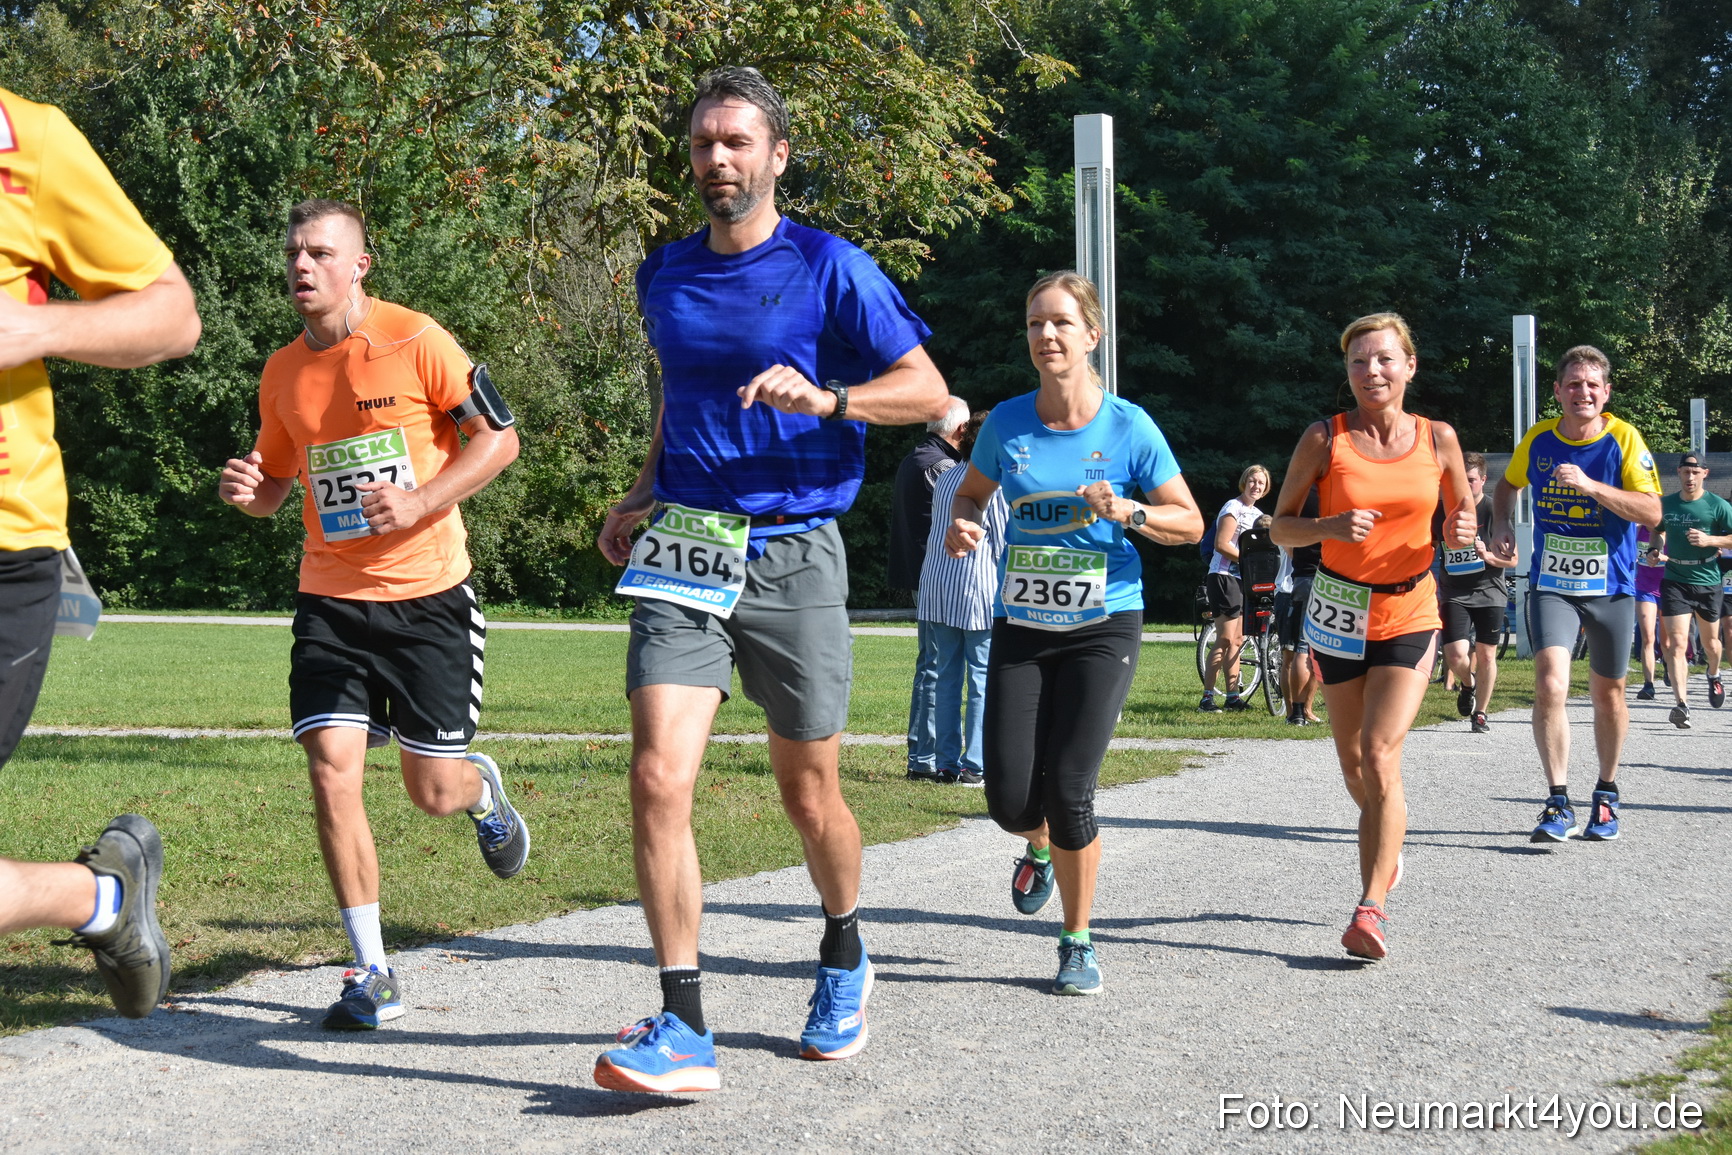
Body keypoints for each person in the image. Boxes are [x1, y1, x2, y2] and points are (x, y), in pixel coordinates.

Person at [593, 67, 949, 1092]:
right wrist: (638, 494)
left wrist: (831, 399)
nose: (717, 160)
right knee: (659, 774)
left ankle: (843, 948)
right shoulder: (662, 274)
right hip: (685, 547)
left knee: (809, 791)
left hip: (795, 547)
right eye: (703, 143)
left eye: (737, 143)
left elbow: (925, 389)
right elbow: (681, 403)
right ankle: (681, 1020)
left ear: (777, 156)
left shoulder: (831, 267)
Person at [217, 198, 527, 1030]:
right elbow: (279, 481)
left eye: (320, 252)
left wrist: (421, 499)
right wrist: (253, 494)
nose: (301, 267)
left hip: (428, 598)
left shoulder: (417, 340)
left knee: (430, 790)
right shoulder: (282, 371)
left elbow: (499, 439)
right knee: (331, 773)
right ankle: (373, 968)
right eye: (292, 254)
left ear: (359, 264)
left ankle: (480, 794)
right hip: (329, 598)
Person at [0, 85, 200, 1018]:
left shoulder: (26, 140)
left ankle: (107, 897)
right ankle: (103, 897)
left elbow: (170, 313)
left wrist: (35, 329)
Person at [947, 271, 1202, 995]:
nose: (1045, 336)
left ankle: (1077, 938)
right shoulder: (1006, 424)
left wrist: (1129, 511)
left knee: (1072, 786)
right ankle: (1033, 846)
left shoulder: (1128, 425)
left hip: (1104, 621)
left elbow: (1188, 519)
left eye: (1060, 322)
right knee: (1007, 798)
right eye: (1034, 324)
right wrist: (967, 522)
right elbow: (972, 490)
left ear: (1092, 335)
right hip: (1023, 620)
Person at [1271, 312, 1475, 961]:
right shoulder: (1323, 439)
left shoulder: (1437, 437)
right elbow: (1280, 527)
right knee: (1354, 764)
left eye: (1384, 359)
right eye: (1359, 362)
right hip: (1338, 610)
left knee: (1380, 752)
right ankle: (1390, 838)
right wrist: (1327, 524)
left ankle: (1371, 907)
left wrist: (1461, 531)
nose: (1372, 372)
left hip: (1410, 610)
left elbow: (1460, 511)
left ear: (1409, 365)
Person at [1491, 345, 1661, 844]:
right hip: (1553, 584)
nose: (1582, 392)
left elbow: (1651, 512)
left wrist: (1590, 486)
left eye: (1592, 384)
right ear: (1559, 391)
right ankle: (1557, 800)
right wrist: (1502, 522)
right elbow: (1506, 486)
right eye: (1573, 383)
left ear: (1605, 393)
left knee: (1608, 694)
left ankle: (1606, 794)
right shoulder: (1540, 439)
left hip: (1612, 586)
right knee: (1549, 683)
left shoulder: (1624, 439)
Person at [915, 410, 1005, 786]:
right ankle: (976, 763)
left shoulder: (948, 474)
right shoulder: (993, 484)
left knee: (946, 678)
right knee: (982, 679)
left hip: (938, 586)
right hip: (978, 591)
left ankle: (946, 761)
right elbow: (1001, 542)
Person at [897, 396, 969, 781]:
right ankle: (924, 758)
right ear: (960, 430)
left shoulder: (915, 459)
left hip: (922, 576)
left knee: (932, 666)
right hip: (939, 577)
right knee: (936, 668)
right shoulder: (943, 467)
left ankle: (924, 757)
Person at [1433, 451, 1512, 734]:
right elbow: (1428, 546)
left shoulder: (1493, 511)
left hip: (1490, 591)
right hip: (1454, 591)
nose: (1466, 487)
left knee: (1487, 655)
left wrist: (1488, 556)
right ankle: (1468, 683)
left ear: (1483, 480)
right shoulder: (1442, 510)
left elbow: (1512, 560)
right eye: (1460, 481)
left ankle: (1480, 712)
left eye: (1471, 481)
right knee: (1454, 655)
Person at [1654, 454, 1732, 728]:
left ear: (1705, 474)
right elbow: (1657, 531)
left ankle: (1714, 674)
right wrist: (1655, 549)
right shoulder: (1667, 504)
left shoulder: (1717, 505)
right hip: (1675, 578)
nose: (1689, 478)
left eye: (1695, 472)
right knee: (1676, 643)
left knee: (1711, 644)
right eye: (1685, 472)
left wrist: (1711, 539)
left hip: (1708, 580)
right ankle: (1681, 704)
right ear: (1678, 472)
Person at [1200, 464, 1270, 712]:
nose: (1256, 486)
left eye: (1261, 483)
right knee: (1226, 637)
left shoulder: (1258, 514)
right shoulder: (1233, 508)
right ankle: (1207, 698)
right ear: (1244, 482)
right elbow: (1221, 544)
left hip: (1244, 581)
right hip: (1223, 576)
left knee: (1238, 640)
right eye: (1252, 481)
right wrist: (1248, 561)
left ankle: (1232, 697)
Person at [1273, 487, 1324, 725]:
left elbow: (1284, 538)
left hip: (1304, 577)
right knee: (1316, 651)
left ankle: (1297, 713)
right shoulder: (1339, 494)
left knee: (1300, 649)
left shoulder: (1301, 495)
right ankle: (1300, 711)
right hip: (1331, 578)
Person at [1633, 524, 1664, 699]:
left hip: (1668, 588)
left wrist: (1665, 557)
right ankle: (1648, 685)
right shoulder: (1638, 530)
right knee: (1648, 637)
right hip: (1645, 588)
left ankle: (1669, 667)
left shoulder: (1669, 530)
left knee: (1667, 642)